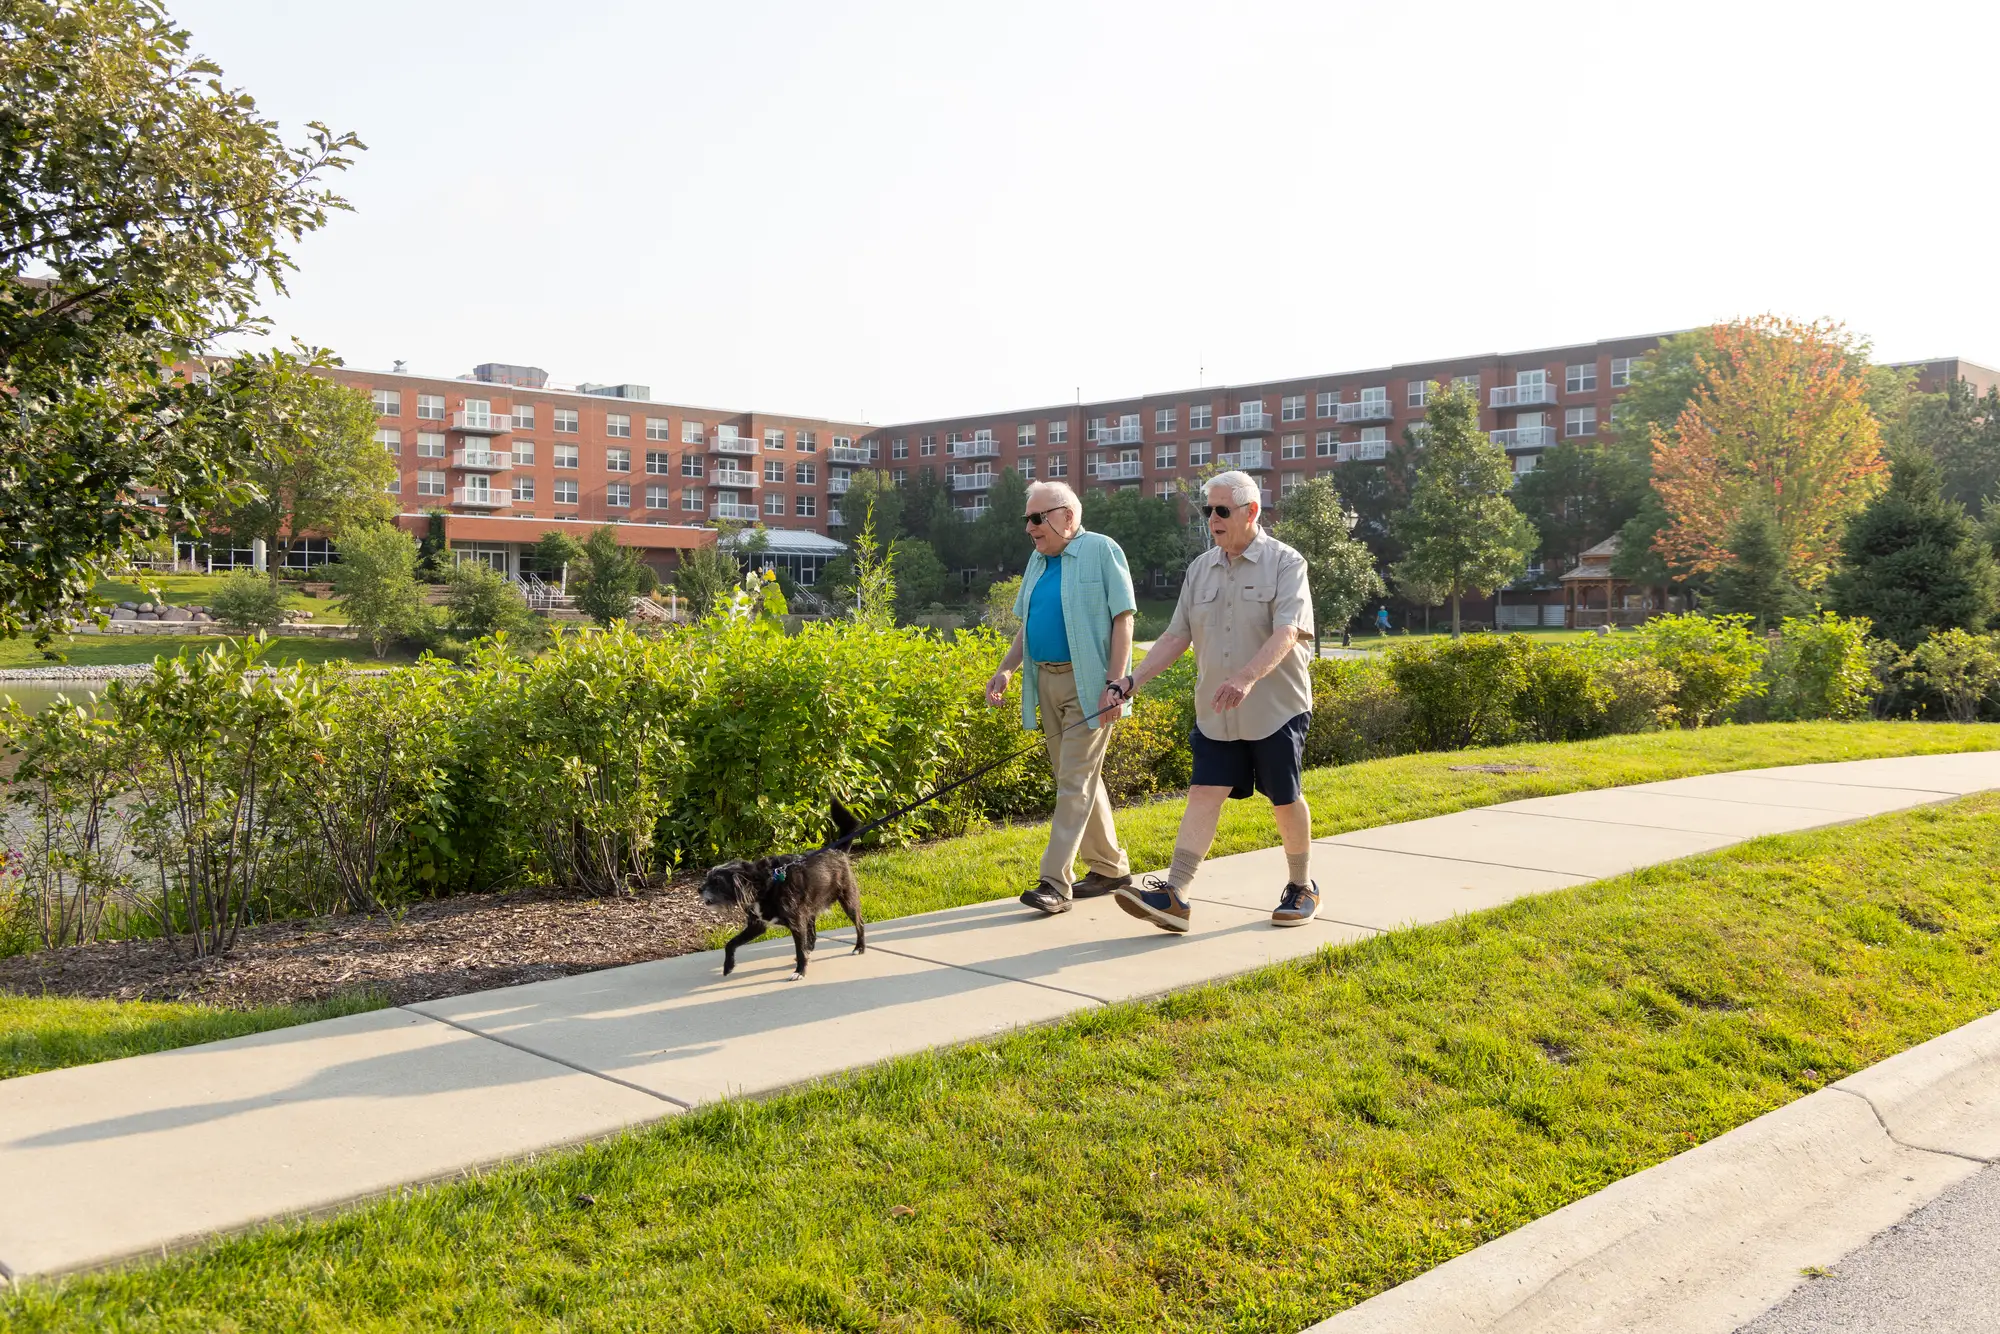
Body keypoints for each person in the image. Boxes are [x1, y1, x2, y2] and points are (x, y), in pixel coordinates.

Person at [1110, 471, 1317, 932]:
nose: (1213, 519)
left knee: (1284, 797)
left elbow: (1288, 631)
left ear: (1251, 512)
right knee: (1204, 791)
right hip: (1217, 710)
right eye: (1209, 511)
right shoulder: (1201, 568)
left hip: (1275, 706)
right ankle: (1175, 895)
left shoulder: (1286, 563)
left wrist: (1246, 677)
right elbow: (1176, 635)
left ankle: (1301, 886)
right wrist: (1133, 680)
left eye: (1222, 510)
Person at [984, 481, 1138, 914]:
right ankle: (1109, 866)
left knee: (1073, 782)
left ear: (1068, 516)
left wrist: (1115, 683)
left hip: (1089, 686)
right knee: (1078, 780)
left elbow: (1123, 619)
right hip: (1045, 682)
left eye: (1038, 518)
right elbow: (1027, 624)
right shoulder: (1037, 560)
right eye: (1027, 520)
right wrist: (1006, 668)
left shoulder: (1102, 550)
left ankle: (1054, 882)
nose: (1030, 528)